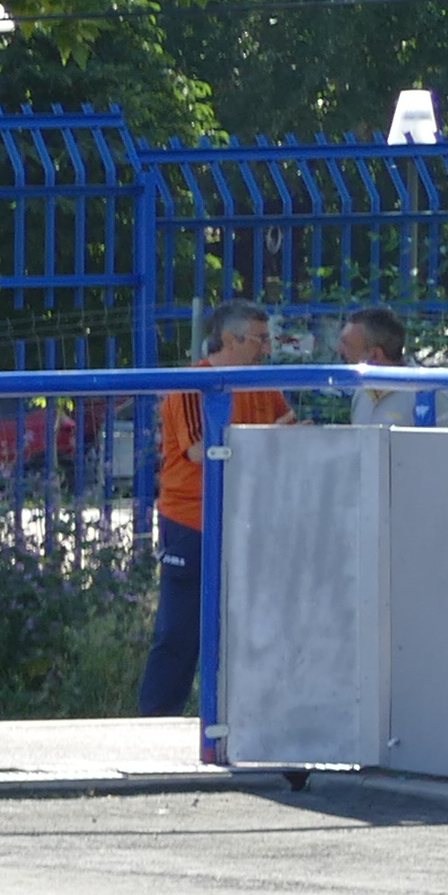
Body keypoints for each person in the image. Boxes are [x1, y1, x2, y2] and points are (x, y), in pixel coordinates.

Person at [136, 308, 287, 719]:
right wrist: (272, 441)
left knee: (251, 629)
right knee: (179, 632)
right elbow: (202, 451)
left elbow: (286, 425)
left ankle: (248, 718)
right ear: (231, 340)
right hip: (192, 522)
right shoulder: (190, 386)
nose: (266, 348)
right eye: (259, 338)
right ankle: (155, 722)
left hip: (248, 519)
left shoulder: (262, 383)